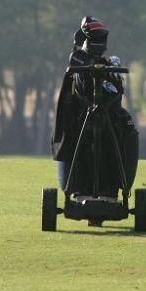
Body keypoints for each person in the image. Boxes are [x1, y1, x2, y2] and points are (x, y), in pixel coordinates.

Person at [51, 16, 139, 197]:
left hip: (105, 115)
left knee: (124, 129)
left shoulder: (103, 63)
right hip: (82, 114)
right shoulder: (78, 58)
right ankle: (77, 189)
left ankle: (113, 189)